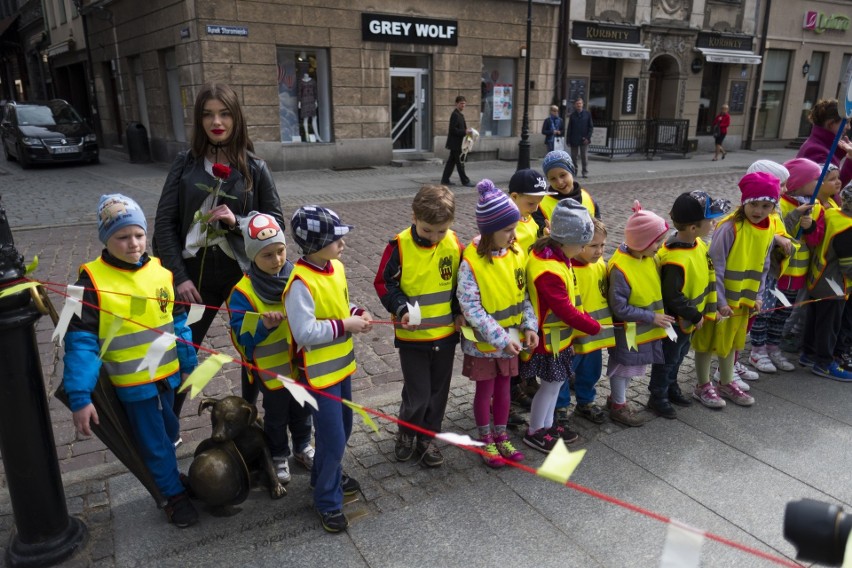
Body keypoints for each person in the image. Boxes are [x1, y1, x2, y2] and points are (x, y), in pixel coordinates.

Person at [63, 194, 199, 528]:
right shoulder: (90, 284)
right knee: (152, 441)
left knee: (169, 430)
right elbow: (80, 344)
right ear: (105, 239)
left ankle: (169, 476)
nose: (133, 243)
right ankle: (171, 495)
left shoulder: (160, 272)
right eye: (122, 237)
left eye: (138, 234)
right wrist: (80, 397)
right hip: (134, 383)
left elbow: (177, 320)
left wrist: (188, 359)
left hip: (167, 375)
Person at [153, 83, 284, 417]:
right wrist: (179, 277)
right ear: (199, 120)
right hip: (195, 276)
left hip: (243, 275)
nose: (217, 121)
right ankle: (168, 428)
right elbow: (165, 225)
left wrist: (237, 221)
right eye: (208, 114)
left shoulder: (255, 168)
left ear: (236, 117)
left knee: (252, 348)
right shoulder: (185, 165)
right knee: (183, 349)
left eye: (224, 113)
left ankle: (246, 418)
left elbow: (276, 224)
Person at [284, 205, 373, 533]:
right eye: (336, 239)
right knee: (334, 438)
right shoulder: (299, 283)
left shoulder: (334, 267)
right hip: (318, 375)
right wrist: (345, 325)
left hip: (341, 368)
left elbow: (338, 305)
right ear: (314, 245)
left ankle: (326, 474)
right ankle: (326, 500)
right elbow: (304, 333)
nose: (343, 244)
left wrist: (356, 312)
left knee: (344, 427)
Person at [374, 185, 463, 467]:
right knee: (418, 391)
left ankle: (427, 437)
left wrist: (460, 312)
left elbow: (462, 284)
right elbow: (383, 283)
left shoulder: (454, 243)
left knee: (438, 390)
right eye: (428, 230)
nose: (434, 237)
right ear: (414, 217)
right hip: (412, 337)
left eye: (441, 231)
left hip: (446, 335)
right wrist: (400, 308)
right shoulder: (398, 246)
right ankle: (406, 431)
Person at [227, 212, 314, 485]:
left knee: (302, 410)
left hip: (300, 365)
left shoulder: (298, 277)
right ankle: (278, 454)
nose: (277, 260)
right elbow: (241, 337)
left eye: (280, 251)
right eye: (267, 255)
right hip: (272, 370)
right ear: (252, 256)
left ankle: (302, 446)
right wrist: (263, 326)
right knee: (276, 417)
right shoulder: (244, 292)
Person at [457, 180, 539, 467]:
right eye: (507, 230)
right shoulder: (471, 263)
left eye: (514, 228)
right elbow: (471, 308)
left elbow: (525, 294)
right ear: (489, 231)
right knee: (485, 391)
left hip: (512, 339)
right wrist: (501, 337)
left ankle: (501, 435)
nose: (514, 235)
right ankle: (484, 439)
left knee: (504, 388)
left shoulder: (516, 253)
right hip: (486, 343)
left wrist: (530, 326)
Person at [691, 172, 781, 409]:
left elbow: (764, 266)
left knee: (731, 343)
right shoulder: (730, 227)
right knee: (707, 342)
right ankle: (702, 384)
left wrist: (758, 296)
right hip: (720, 300)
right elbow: (715, 266)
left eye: (766, 205)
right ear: (744, 201)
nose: (759, 210)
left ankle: (726, 381)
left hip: (743, 301)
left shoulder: (770, 226)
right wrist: (719, 301)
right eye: (754, 204)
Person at [521, 199, 600, 452]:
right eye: (582, 244)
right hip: (549, 340)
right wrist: (592, 326)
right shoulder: (548, 269)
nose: (583, 249)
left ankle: (547, 425)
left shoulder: (555, 255)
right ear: (566, 240)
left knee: (554, 385)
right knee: (549, 387)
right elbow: (564, 308)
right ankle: (535, 430)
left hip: (559, 338)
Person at [648, 191, 729, 419]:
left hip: (691, 320)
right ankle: (658, 395)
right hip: (679, 321)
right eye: (710, 220)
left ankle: (671, 387)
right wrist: (694, 314)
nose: (713, 224)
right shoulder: (675, 258)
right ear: (693, 227)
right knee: (668, 359)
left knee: (680, 355)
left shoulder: (697, 244)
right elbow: (673, 295)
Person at [748, 159, 820, 374]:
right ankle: (757, 350)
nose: (785, 189)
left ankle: (772, 347)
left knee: (780, 312)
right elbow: (759, 238)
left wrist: (798, 219)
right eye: (781, 185)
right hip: (764, 273)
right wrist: (779, 237)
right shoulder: (759, 211)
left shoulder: (777, 208)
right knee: (763, 313)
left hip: (779, 270)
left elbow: (783, 231)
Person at [606, 203, 674, 426]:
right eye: (656, 241)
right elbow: (620, 308)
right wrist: (652, 317)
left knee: (632, 368)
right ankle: (618, 405)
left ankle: (618, 400)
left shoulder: (647, 257)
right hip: (630, 331)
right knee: (623, 368)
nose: (660, 246)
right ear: (642, 241)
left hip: (641, 331)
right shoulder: (621, 268)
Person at [556, 218, 615, 425]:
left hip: (594, 334)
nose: (599, 251)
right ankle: (560, 406)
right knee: (563, 373)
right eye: (593, 246)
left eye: (602, 245)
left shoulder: (600, 264)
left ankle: (586, 402)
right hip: (572, 336)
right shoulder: (567, 269)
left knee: (591, 371)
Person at [802, 183, 852, 380]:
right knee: (829, 325)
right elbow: (849, 267)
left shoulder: (833, 214)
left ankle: (808, 353)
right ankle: (823, 363)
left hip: (819, 279)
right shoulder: (849, 229)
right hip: (835, 285)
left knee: (815, 320)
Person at [535, 151, 601, 232]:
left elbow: (599, 232)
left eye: (563, 175)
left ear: (572, 171)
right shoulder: (540, 206)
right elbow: (537, 234)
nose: (559, 182)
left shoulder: (588, 199)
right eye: (553, 179)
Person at [796, 99, 852, 186]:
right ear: (830, 124)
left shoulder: (819, 145)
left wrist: (841, 150)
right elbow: (833, 188)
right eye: (846, 122)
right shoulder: (815, 150)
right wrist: (850, 158)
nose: (848, 127)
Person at [507, 168, 553, 255]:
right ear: (514, 196)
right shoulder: (505, 226)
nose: (536, 209)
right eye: (531, 203)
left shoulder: (528, 216)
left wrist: (544, 237)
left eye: (538, 203)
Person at [441, 96, 474, 187]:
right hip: (456, 144)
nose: (463, 105)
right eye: (461, 103)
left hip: (457, 143)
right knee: (460, 163)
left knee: (451, 163)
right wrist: (464, 131)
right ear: (456, 104)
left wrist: (467, 130)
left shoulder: (460, 114)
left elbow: (460, 128)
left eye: (464, 103)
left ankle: (445, 180)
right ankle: (465, 181)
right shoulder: (455, 115)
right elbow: (452, 130)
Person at [567, 98, 593, 178]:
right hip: (574, 139)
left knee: (584, 156)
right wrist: (568, 139)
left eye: (580, 103)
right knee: (574, 157)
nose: (579, 105)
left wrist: (588, 138)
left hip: (584, 139)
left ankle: (584, 172)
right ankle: (574, 171)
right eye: (577, 103)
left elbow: (590, 127)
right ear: (575, 105)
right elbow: (569, 128)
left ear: (583, 104)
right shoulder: (572, 115)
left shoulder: (587, 114)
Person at [298, 73, 323, 142]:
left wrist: (316, 101)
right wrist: (299, 102)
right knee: (305, 118)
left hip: (311, 100)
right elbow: (299, 92)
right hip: (304, 101)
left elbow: (315, 91)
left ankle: (317, 136)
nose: (306, 75)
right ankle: (307, 136)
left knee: (314, 117)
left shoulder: (313, 81)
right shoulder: (301, 82)